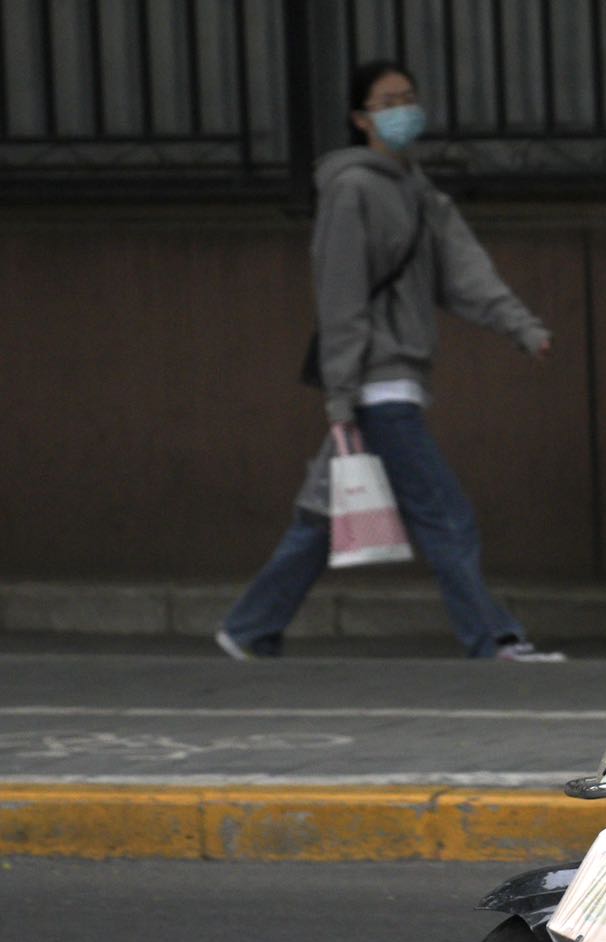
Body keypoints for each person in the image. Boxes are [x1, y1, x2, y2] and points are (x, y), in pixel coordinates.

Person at [217, 59, 562, 662]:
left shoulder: (420, 192)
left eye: (409, 96)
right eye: (387, 101)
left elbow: (465, 272)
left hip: (389, 381)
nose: (404, 110)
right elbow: (340, 295)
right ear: (360, 118)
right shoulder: (352, 190)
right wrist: (342, 396)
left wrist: (522, 327)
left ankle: (249, 627)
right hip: (377, 385)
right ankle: (494, 637)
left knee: (326, 515)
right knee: (445, 516)